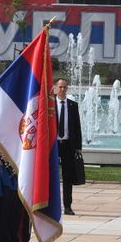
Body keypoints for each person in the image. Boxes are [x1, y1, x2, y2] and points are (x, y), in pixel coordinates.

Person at [54, 78, 81, 216]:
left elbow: (77, 127)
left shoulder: (72, 105)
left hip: (68, 146)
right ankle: (50, 205)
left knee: (67, 177)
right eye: (60, 87)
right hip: (53, 146)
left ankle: (67, 206)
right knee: (51, 176)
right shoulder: (49, 104)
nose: (62, 89)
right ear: (55, 88)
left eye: (64, 87)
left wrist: (78, 147)